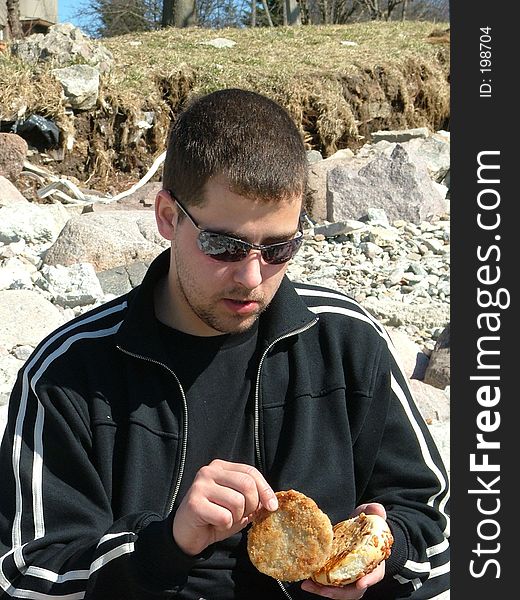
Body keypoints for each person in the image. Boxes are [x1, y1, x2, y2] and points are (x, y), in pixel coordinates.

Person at [0, 88, 450, 600]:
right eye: (224, 245)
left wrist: (386, 560)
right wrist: (163, 543)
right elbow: (25, 577)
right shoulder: (68, 373)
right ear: (167, 216)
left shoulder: (345, 343)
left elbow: (435, 523)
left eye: (280, 247)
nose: (251, 277)